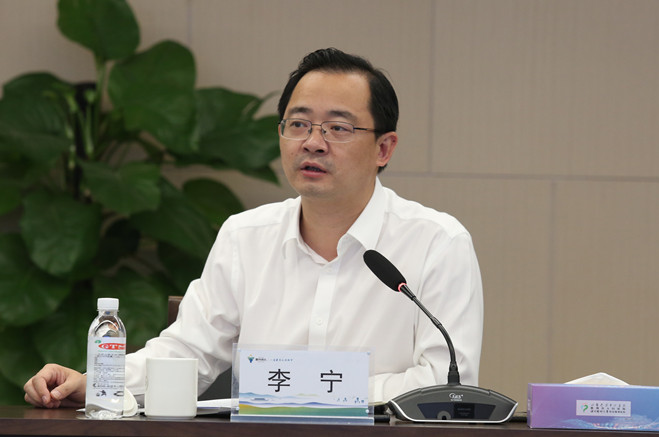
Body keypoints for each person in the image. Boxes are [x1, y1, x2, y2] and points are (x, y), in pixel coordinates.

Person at [23, 47, 483, 408]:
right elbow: (189, 354)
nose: (313, 142)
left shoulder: (437, 243)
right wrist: (97, 382)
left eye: (338, 129)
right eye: (298, 124)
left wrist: (313, 392)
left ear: (384, 148)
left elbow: (447, 383)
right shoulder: (245, 237)